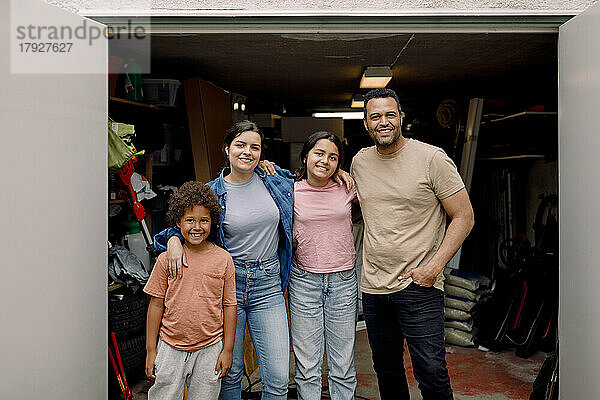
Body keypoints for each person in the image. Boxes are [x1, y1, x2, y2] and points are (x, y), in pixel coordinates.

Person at [154, 120, 295, 400]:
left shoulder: (276, 181)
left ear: (261, 154)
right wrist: (172, 240)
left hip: (268, 285)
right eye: (240, 145)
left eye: (255, 147)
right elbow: (181, 226)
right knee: (228, 373)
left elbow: (314, 178)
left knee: (278, 377)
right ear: (227, 149)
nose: (247, 152)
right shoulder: (210, 193)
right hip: (225, 285)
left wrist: (339, 171)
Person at [350, 88, 475, 400]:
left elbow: (464, 216)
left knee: (430, 370)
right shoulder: (359, 163)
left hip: (419, 286)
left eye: (390, 114)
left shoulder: (432, 159)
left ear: (400, 117)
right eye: (375, 116)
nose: (383, 122)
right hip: (375, 288)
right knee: (387, 370)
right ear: (366, 123)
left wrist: (433, 268)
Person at [144, 181, 237, 400]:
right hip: (169, 346)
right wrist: (150, 350)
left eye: (204, 220)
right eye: (190, 220)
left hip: (210, 347)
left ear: (213, 222)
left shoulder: (223, 260)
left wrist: (228, 349)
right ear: (178, 222)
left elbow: (230, 306)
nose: (197, 227)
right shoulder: (167, 259)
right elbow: (155, 304)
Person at [288, 131, 358, 400]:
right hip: (304, 281)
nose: (325, 161)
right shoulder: (289, 190)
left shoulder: (348, 187)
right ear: (305, 156)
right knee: (307, 366)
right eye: (319, 153)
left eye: (333, 157)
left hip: (343, 281)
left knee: (342, 364)